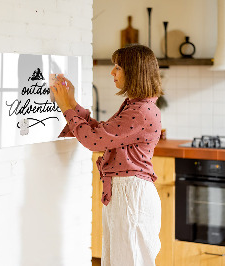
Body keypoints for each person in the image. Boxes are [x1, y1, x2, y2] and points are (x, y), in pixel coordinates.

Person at [51, 44, 163, 266]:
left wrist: (66, 107)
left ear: (134, 72)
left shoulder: (140, 111)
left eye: (118, 67)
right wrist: (72, 103)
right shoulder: (136, 106)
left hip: (131, 195)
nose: (112, 72)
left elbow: (94, 141)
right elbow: (102, 133)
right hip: (126, 193)